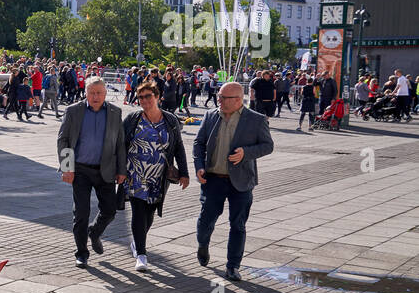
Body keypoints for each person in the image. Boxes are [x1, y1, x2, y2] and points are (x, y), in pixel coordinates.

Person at [194, 82, 275, 281]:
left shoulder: (255, 120)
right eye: (218, 96)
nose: (218, 100)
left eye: (223, 98)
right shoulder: (211, 115)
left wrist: (246, 153)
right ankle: (203, 244)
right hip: (213, 179)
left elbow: (268, 146)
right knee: (206, 221)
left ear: (238, 100)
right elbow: (199, 143)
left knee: (238, 225)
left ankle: (233, 266)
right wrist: (199, 166)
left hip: (241, 181)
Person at [56, 76, 126, 267]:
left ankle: (94, 232)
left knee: (110, 210)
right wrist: (67, 168)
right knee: (81, 213)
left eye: (99, 93)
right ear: (85, 92)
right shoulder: (73, 111)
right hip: (80, 170)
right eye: (92, 93)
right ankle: (81, 252)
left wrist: (122, 170)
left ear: (105, 93)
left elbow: (120, 143)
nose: (95, 96)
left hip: (106, 170)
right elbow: (63, 140)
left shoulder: (114, 112)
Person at [122, 81, 189, 272]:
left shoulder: (170, 120)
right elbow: (119, 144)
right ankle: (142, 255)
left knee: (150, 213)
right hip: (135, 173)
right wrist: (118, 170)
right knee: (138, 211)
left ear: (158, 97)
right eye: (141, 97)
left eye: (148, 96)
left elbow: (178, 147)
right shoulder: (133, 118)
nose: (144, 100)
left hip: (158, 175)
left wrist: (184, 173)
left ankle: (138, 241)